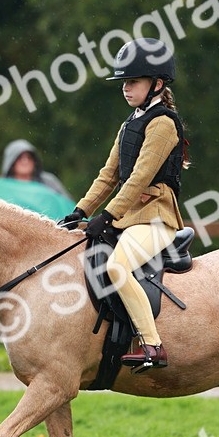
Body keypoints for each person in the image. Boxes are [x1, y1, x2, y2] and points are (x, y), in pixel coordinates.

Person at [58, 38, 188, 371]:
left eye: (133, 82)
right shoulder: (130, 123)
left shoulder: (164, 124)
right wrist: (82, 210)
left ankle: (152, 345)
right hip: (128, 217)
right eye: (124, 83)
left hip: (156, 219)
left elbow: (140, 178)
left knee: (116, 267)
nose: (126, 89)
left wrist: (109, 215)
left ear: (157, 84)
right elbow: (108, 175)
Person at [1, 139, 70, 197]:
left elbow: (65, 205)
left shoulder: (48, 182)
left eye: (29, 157)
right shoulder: (2, 186)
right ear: (11, 162)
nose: (25, 161)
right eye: (19, 158)